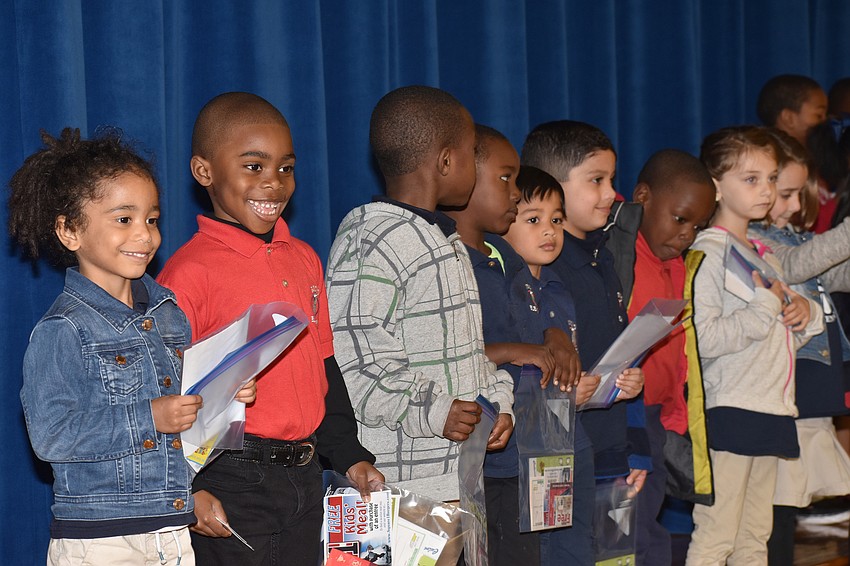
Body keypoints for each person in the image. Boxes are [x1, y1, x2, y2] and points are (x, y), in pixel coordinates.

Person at [157, 92, 382, 566]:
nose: (274, 184)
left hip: (304, 474)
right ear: (204, 172)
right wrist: (187, 488)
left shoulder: (304, 258)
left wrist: (348, 454)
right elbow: (166, 393)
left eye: (286, 167)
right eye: (254, 167)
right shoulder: (187, 273)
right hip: (232, 478)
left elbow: (324, 364)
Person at [10, 127, 227, 565]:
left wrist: (222, 397)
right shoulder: (63, 329)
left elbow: (187, 429)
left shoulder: (170, 314)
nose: (145, 235)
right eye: (124, 219)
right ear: (70, 231)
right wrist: (150, 417)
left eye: (151, 218)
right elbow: (51, 436)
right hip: (101, 540)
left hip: (172, 529)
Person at [325, 86, 515, 504]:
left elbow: (466, 354)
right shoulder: (372, 238)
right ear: (446, 160)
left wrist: (498, 401)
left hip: (456, 480)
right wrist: (432, 408)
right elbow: (353, 360)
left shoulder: (443, 239)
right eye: (471, 152)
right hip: (398, 489)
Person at [441, 126, 581, 566]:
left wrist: (553, 334)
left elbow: (533, 329)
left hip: (525, 452)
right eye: (507, 180)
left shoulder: (508, 261)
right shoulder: (449, 262)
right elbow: (457, 355)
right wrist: (517, 351)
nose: (516, 192)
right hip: (477, 463)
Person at [686, 125, 823, 565]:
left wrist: (804, 314)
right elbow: (703, 339)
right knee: (716, 534)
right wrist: (767, 305)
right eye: (751, 179)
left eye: (770, 177)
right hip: (731, 409)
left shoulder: (761, 253)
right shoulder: (709, 251)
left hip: (770, 407)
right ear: (715, 186)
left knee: (754, 537)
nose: (765, 190)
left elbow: (785, 329)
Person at [521, 121, 649, 565]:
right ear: (549, 187)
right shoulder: (539, 272)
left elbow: (623, 353)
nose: (612, 194)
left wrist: (637, 445)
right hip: (562, 454)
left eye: (612, 180)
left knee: (615, 559)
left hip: (613, 455)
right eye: (596, 180)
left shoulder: (604, 258)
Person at [746, 129, 850, 565]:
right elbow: (792, 267)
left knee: (785, 506)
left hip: (810, 392)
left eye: (795, 194)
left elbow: (836, 277)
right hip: (783, 394)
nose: (791, 206)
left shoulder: (794, 235)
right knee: (772, 509)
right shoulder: (758, 241)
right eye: (783, 193)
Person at [501, 165, 605, 565]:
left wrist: (586, 387)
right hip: (529, 445)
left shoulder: (560, 291)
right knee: (541, 549)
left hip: (571, 439)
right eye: (533, 220)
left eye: (556, 220)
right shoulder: (501, 289)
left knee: (577, 543)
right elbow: (507, 369)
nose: (549, 230)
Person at [628, 149, 717, 566]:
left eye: (698, 226)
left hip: (658, 418)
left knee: (650, 523)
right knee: (634, 530)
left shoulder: (681, 266)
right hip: (627, 414)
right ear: (642, 196)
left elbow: (679, 348)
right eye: (680, 219)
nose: (687, 234)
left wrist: (675, 414)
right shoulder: (620, 256)